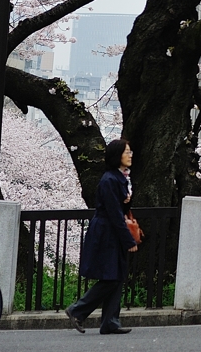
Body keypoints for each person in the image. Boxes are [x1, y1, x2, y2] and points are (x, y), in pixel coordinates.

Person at [65, 139, 138, 335]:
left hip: (110, 231)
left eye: (130, 152)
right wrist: (129, 240)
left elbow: (119, 209)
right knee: (111, 277)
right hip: (107, 233)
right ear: (117, 156)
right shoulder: (109, 180)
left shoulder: (118, 178)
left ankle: (110, 322)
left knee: (117, 275)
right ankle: (77, 310)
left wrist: (126, 202)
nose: (130, 155)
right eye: (126, 152)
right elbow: (114, 215)